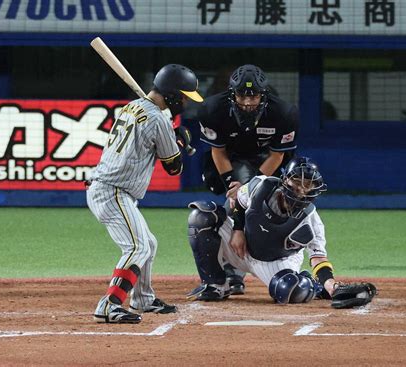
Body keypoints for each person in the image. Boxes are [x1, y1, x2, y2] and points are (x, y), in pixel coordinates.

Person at [87, 64, 203, 323]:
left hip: (112, 189)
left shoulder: (134, 106)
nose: (185, 102)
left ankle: (143, 299)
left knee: (148, 244)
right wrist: (178, 142)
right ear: (172, 94)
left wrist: (171, 135)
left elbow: (153, 133)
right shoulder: (158, 118)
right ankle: (109, 304)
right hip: (112, 191)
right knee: (137, 246)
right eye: (183, 96)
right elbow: (173, 167)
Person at [186, 157, 376, 307]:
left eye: (308, 184)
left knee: (291, 290)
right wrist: (237, 229)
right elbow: (238, 202)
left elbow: (318, 258)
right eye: (297, 181)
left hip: (276, 262)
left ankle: (314, 286)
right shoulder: (261, 185)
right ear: (285, 179)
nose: (302, 189)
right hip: (241, 248)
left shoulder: (312, 221)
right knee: (201, 216)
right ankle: (216, 285)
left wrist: (331, 286)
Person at [197, 64, 299, 294]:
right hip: (231, 159)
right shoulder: (212, 110)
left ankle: (279, 258)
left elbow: (278, 155)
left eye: (253, 96)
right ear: (233, 94)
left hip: (268, 159)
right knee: (233, 203)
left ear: (264, 94)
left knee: (264, 205)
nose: (248, 102)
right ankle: (232, 274)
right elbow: (218, 152)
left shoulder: (284, 113)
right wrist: (234, 184)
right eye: (242, 95)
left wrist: (254, 188)